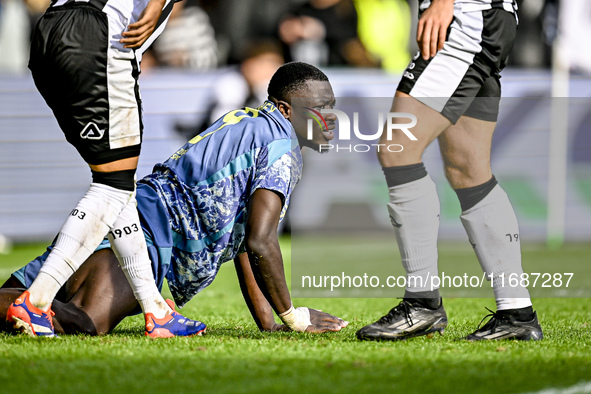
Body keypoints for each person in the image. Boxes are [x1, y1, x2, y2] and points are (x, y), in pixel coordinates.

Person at [1, 62, 347, 336]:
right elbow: (260, 240)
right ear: (287, 110)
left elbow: (243, 241)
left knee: (15, 294)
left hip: (121, 212)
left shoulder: (249, 122)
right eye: (319, 107)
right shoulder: (282, 146)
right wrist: (293, 316)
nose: (329, 117)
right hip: (143, 235)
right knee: (85, 322)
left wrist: (268, 321)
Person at [5, 0, 203, 337]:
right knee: (113, 186)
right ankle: (35, 301)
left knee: (118, 185)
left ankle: (156, 311)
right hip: (98, 36)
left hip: (52, 31)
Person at [356, 0, 544, 341]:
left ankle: (422, 302)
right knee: (468, 170)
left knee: (398, 149)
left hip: (466, 18)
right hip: (487, 18)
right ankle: (517, 313)